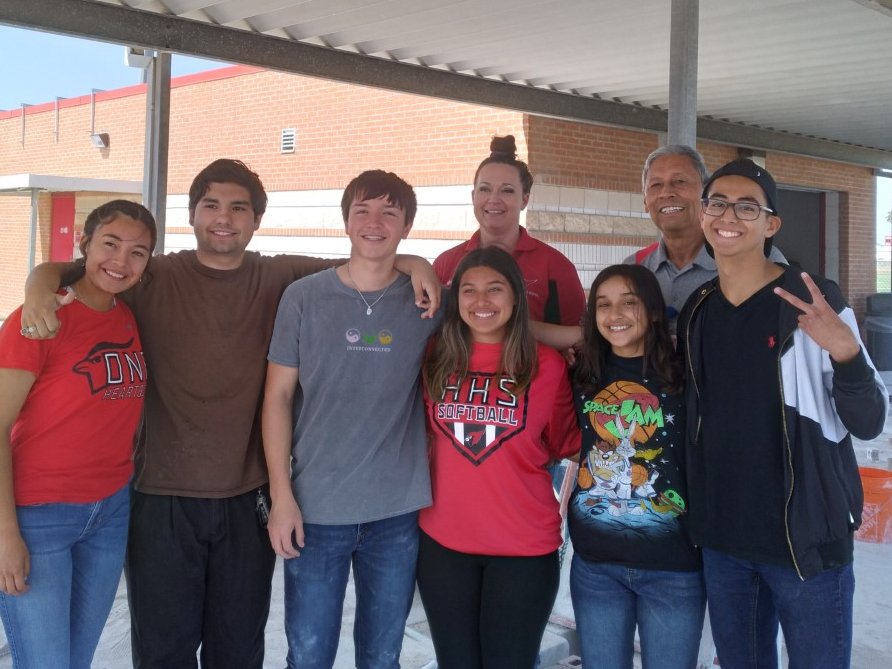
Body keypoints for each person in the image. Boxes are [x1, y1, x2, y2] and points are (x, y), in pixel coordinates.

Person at [19, 159, 439, 669]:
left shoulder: (280, 275)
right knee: (163, 649)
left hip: (248, 498)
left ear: (256, 220)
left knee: (238, 648)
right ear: (192, 214)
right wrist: (39, 284)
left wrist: (419, 264)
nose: (224, 217)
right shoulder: (153, 275)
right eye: (211, 205)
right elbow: (88, 265)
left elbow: (367, 258)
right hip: (162, 496)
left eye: (239, 207)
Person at [677, 158, 888, 669]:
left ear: (770, 224)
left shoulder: (812, 300)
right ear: (703, 216)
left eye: (747, 206)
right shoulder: (698, 310)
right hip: (725, 539)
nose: (729, 215)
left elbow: (869, 421)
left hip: (805, 540)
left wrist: (848, 355)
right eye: (718, 203)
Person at [262, 170, 441, 669]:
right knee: (309, 654)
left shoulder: (426, 301)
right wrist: (282, 497)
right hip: (316, 510)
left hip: (396, 513)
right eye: (362, 210)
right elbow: (276, 397)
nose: (375, 222)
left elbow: (499, 317)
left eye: (390, 212)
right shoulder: (304, 297)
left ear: (406, 225)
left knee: (382, 656)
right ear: (345, 221)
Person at [0, 200, 156, 668]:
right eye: (110, 244)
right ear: (84, 245)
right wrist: (5, 532)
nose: (121, 261)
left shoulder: (127, 315)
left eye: (138, 253)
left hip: (109, 513)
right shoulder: (39, 321)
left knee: (77, 659)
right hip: (38, 517)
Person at [417, 246, 580, 669]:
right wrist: (412, 263)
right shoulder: (434, 355)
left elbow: (568, 444)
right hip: (443, 547)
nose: (481, 301)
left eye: (495, 289)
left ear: (515, 298)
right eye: (468, 290)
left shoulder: (547, 365)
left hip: (524, 550)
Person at [566, 264, 703, 669]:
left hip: (674, 567)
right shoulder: (582, 374)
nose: (615, 314)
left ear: (656, 311)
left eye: (630, 302)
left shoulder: (686, 373)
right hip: (595, 565)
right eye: (603, 305)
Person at [627, 145, 785, 332]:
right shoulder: (633, 268)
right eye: (655, 185)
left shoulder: (761, 260)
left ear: (706, 194)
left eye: (679, 181)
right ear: (645, 201)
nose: (666, 192)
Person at [434, 134, 585, 326]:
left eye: (507, 190)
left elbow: (579, 337)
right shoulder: (446, 263)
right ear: (473, 196)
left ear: (525, 199)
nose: (493, 199)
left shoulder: (556, 267)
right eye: (484, 189)